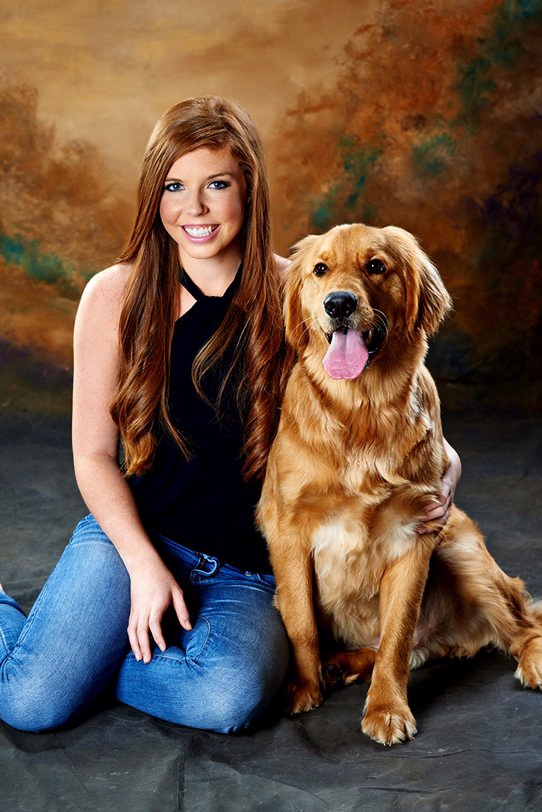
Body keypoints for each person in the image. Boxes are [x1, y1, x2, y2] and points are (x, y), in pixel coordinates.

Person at [0, 96, 461, 734]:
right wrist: (141, 564)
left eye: (217, 184)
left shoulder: (301, 289)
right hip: (131, 540)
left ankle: (83, 660)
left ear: (250, 191)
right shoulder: (113, 296)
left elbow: (386, 407)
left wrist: (448, 467)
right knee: (31, 703)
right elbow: (92, 456)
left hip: (246, 573)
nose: (195, 208)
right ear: (152, 195)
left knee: (229, 700)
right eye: (174, 186)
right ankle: (43, 647)